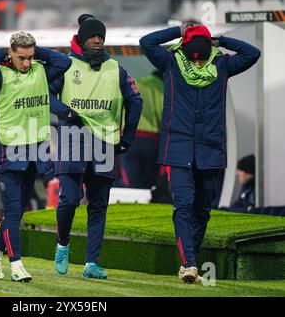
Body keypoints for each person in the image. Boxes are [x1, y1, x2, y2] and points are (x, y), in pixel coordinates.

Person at [140, 22, 261, 283]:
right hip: (178, 148)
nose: (197, 59)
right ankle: (189, 264)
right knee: (182, 205)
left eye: (203, 50)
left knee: (203, 209)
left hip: (211, 149)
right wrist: (178, 32)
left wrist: (220, 41)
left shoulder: (223, 65)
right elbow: (147, 41)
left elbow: (253, 53)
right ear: (185, 47)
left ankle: (189, 259)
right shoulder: (171, 63)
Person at [50, 14, 143, 279]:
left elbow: (136, 101)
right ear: (81, 39)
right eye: (92, 37)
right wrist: (65, 112)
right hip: (73, 138)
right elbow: (46, 93)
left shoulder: (116, 68)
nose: (98, 41)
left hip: (106, 142)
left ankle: (91, 263)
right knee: (69, 199)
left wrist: (128, 137)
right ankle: (62, 245)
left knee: (98, 205)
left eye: (101, 37)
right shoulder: (66, 64)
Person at [0, 31, 72, 282]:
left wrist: (36, 52)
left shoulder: (39, 70)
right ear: (11, 53)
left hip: (35, 149)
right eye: (21, 58)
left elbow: (64, 62)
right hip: (8, 149)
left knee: (17, 212)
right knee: (14, 210)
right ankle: (16, 265)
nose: (27, 63)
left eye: (30, 57)